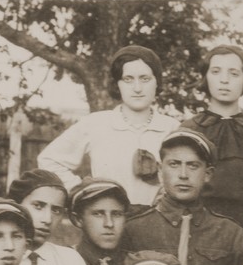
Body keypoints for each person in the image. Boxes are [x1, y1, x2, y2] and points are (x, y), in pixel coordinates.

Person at [120, 127, 243, 265]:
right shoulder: (134, 229)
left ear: (208, 174)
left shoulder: (229, 232)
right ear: (160, 171)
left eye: (193, 166)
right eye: (174, 164)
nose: (183, 174)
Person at [37, 45, 182, 205]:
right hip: (108, 223)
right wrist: (86, 193)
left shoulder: (173, 129)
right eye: (128, 79)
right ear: (117, 84)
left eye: (145, 79)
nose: (137, 88)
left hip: (158, 224)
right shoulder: (95, 124)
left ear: (157, 82)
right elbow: (48, 160)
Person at [184, 44, 243, 230]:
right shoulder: (189, 130)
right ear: (206, 77)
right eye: (216, 71)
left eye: (234, 73)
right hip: (200, 226)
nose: (224, 80)